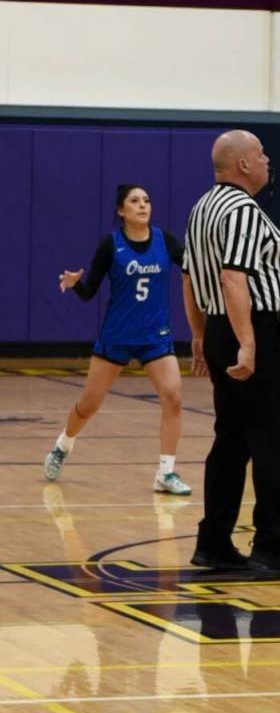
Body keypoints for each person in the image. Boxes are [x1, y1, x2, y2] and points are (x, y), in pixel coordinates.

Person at [182, 129, 280, 577]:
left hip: (220, 328)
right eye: (260, 154)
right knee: (272, 439)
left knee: (231, 438)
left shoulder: (202, 207)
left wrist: (200, 335)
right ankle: (272, 544)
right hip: (252, 328)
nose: (266, 160)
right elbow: (232, 277)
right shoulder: (242, 210)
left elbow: (188, 278)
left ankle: (214, 541)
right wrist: (249, 342)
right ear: (242, 165)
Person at [43, 183, 192, 495]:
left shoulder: (166, 241)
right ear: (121, 211)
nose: (143, 205)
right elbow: (89, 293)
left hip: (155, 336)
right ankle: (64, 444)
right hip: (117, 336)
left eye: (147, 200)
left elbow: (193, 266)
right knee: (89, 404)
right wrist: (75, 284)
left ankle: (166, 472)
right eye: (135, 201)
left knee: (174, 397)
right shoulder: (111, 245)